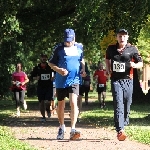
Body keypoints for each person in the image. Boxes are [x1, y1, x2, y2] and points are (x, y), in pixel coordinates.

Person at [105, 29, 143, 141]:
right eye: (120, 36)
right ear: (117, 37)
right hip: (116, 79)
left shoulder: (132, 49)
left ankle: (124, 122)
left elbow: (140, 63)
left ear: (127, 37)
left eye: (124, 36)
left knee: (127, 103)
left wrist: (134, 65)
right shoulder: (111, 48)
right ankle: (120, 130)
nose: (122, 38)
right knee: (118, 103)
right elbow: (107, 58)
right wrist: (108, 69)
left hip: (128, 80)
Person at [48, 29, 86, 140]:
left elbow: (81, 59)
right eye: (66, 40)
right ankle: (61, 127)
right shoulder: (58, 48)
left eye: (70, 40)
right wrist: (58, 70)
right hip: (61, 81)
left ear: (74, 38)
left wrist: (83, 70)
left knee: (74, 102)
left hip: (75, 79)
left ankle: (73, 129)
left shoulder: (79, 47)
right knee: (61, 105)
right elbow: (50, 62)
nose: (68, 42)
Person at [31, 54, 55, 122]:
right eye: (42, 57)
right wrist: (36, 78)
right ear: (40, 58)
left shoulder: (50, 67)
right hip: (41, 87)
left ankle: (48, 109)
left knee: (48, 101)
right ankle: (43, 117)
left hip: (49, 86)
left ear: (47, 58)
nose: (44, 58)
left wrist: (53, 77)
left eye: (45, 57)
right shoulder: (37, 67)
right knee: (41, 102)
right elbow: (32, 76)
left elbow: (55, 73)